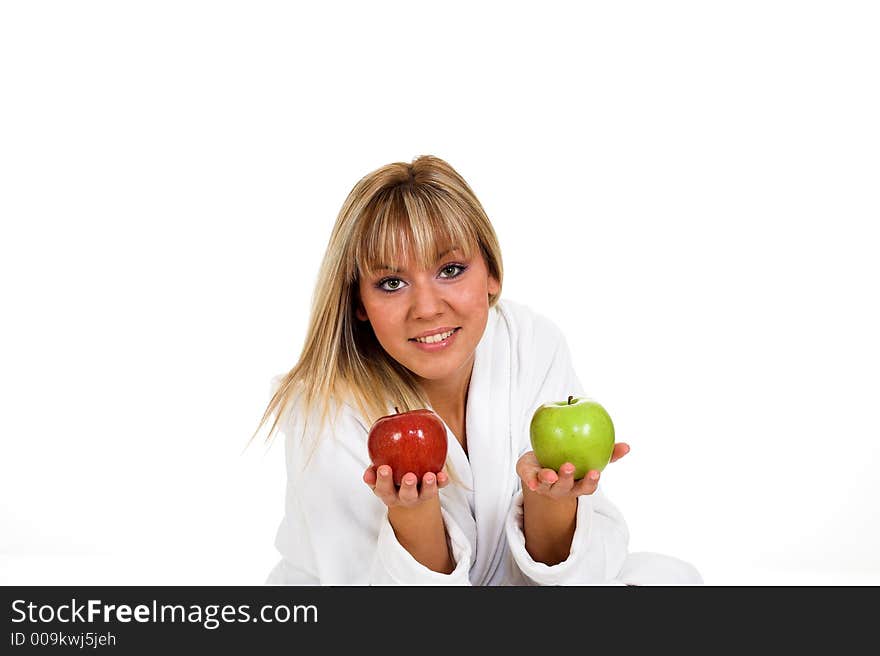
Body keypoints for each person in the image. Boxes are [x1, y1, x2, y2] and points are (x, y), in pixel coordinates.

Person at [254, 155, 702, 585]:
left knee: (673, 579)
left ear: (492, 274)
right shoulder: (324, 408)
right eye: (392, 283)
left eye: (450, 269)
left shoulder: (529, 342)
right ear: (359, 304)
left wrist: (551, 501)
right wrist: (413, 514)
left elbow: (563, 574)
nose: (427, 308)